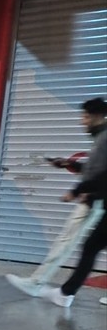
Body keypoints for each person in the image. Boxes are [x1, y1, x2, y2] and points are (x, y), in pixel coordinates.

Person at [35, 97, 107, 307]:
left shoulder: (104, 139)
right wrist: (70, 164)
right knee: (91, 246)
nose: (81, 121)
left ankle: (65, 294)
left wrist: (78, 190)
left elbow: (102, 175)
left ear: (96, 116)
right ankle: (66, 293)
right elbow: (95, 171)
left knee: (91, 246)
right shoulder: (100, 138)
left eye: (84, 116)